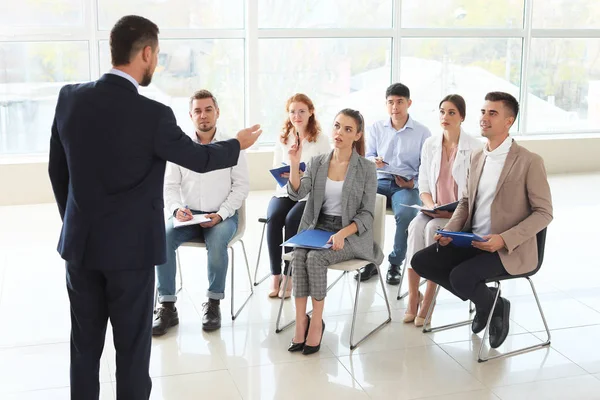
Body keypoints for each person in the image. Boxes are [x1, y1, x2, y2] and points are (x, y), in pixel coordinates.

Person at [48, 16, 261, 400]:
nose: (156, 62)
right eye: (157, 55)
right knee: (131, 353)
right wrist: (238, 144)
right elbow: (198, 157)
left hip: (80, 247)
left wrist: (77, 221)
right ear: (146, 53)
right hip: (130, 254)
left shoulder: (69, 98)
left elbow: (57, 172)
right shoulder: (153, 115)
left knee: (83, 349)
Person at [411, 92, 553, 349]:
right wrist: (450, 231)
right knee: (422, 261)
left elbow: (544, 213)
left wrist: (503, 239)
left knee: (461, 277)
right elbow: (465, 202)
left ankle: (491, 305)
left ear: (509, 122)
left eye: (493, 113)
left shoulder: (529, 161)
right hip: (472, 240)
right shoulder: (477, 157)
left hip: (507, 248)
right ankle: (490, 302)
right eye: (483, 112)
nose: (484, 118)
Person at [286, 109, 383, 355]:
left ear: (358, 135)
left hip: (350, 234)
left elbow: (367, 215)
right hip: (318, 228)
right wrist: (295, 162)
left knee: (316, 258)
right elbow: (297, 194)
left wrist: (342, 234)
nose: (339, 133)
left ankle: (316, 322)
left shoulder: (366, 169)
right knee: (298, 255)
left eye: (347, 129)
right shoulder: (318, 162)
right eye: (337, 126)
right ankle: (300, 322)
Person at [152, 90, 249, 335]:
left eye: (208, 109)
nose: (203, 115)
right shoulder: (179, 148)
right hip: (188, 214)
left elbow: (241, 187)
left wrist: (221, 213)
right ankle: (167, 305)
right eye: (198, 110)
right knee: (162, 237)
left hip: (222, 215)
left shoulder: (232, 146)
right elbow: (170, 186)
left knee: (217, 241)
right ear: (190, 115)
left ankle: (213, 303)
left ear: (217, 112)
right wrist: (176, 210)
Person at [403, 94, 483, 327]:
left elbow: (472, 193)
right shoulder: (430, 144)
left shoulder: (475, 149)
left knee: (432, 231)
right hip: (433, 210)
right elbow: (424, 183)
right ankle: (412, 298)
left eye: (451, 113)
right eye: (441, 112)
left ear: (462, 117)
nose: (445, 117)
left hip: (458, 215)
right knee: (416, 226)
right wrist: (429, 205)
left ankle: (429, 299)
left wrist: (450, 212)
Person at [359, 83, 431, 285]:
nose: (395, 107)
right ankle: (370, 261)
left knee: (407, 214)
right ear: (386, 104)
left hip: (405, 186)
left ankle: (395, 264)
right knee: (364, 209)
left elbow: (427, 167)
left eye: (400, 102)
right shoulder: (375, 128)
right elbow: (367, 156)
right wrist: (374, 161)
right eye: (390, 102)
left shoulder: (423, 133)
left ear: (409, 103)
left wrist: (413, 183)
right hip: (380, 180)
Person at [266, 94, 330, 299]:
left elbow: (326, 173)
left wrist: (303, 175)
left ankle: (289, 275)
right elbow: (277, 165)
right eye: (293, 111)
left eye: (302, 111)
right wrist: (286, 173)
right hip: (285, 189)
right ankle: (275, 274)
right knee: (274, 218)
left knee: (292, 219)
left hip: (308, 194)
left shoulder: (321, 140)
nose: (297, 116)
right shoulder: (284, 137)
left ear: (311, 112)